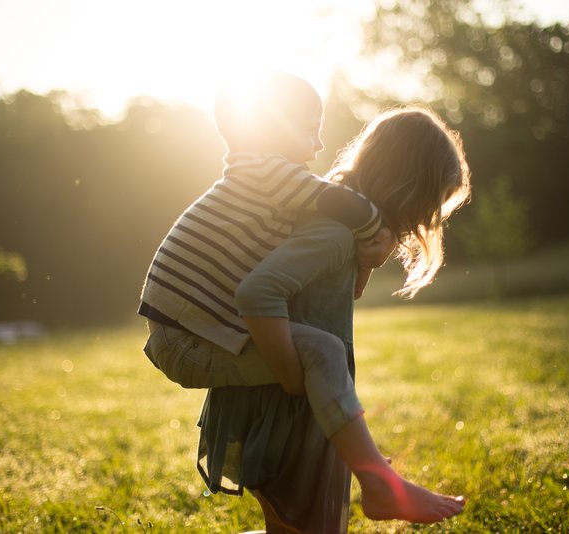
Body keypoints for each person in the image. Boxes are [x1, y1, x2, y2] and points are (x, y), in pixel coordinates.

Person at [197, 106, 472, 532]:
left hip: (303, 401)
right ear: (406, 187)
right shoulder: (334, 233)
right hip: (285, 405)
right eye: (431, 202)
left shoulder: (345, 229)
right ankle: (381, 487)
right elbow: (258, 292)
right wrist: (291, 377)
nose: (427, 218)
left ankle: (378, 483)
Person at [139, 70, 392, 440]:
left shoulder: (256, 177)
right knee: (324, 353)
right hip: (187, 340)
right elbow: (346, 204)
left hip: (184, 333)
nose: (320, 144)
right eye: (309, 129)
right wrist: (378, 239)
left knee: (317, 352)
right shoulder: (267, 172)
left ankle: (344, 454)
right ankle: (354, 456)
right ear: (273, 128)